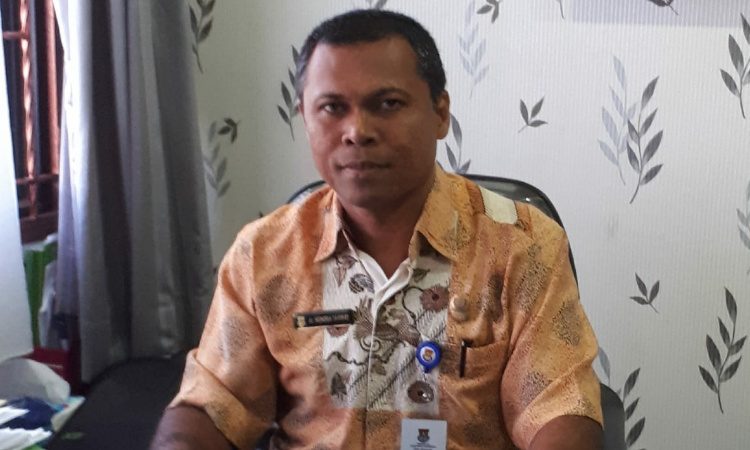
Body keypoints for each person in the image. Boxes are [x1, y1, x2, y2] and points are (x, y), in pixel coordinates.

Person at [152, 9, 603, 450]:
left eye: (387, 104)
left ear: (440, 112)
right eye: (332, 108)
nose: (357, 131)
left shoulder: (523, 246)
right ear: (305, 118)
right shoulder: (264, 253)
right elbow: (215, 402)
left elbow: (559, 408)